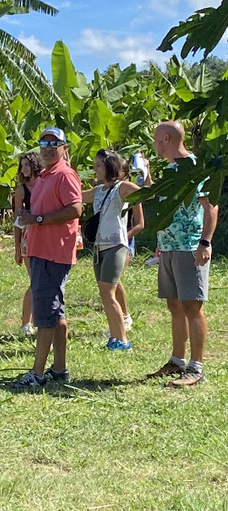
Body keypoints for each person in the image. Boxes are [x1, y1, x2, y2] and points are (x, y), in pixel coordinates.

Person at [145, 120, 218, 387]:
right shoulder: (171, 170)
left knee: (192, 305)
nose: (154, 143)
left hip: (189, 247)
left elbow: (211, 206)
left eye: (155, 138)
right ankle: (177, 361)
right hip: (169, 246)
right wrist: (161, 241)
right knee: (174, 304)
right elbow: (167, 207)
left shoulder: (195, 168)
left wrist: (205, 242)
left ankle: (196, 368)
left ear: (165, 138)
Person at [15, 127, 83, 390]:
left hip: (52, 253)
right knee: (56, 312)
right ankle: (59, 367)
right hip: (41, 250)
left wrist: (38, 219)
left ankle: (38, 372)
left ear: (64, 147)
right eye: (43, 142)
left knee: (44, 315)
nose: (47, 147)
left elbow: (76, 208)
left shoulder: (64, 174)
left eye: (54, 143)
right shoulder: (45, 174)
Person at [80, 150, 145, 351]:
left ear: (109, 166)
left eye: (98, 165)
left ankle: (122, 339)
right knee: (105, 293)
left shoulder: (122, 188)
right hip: (99, 247)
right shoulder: (98, 191)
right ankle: (114, 336)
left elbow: (145, 193)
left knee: (108, 292)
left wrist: (145, 174)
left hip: (116, 246)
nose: (95, 169)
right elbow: (76, 196)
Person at [13, 151, 43, 337]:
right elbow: (17, 220)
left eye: (27, 165)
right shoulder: (21, 190)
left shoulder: (44, 183)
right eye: (22, 165)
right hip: (29, 236)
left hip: (46, 234)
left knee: (43, 279)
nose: (24, 169)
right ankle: (26, 322)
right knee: (35, 280)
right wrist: (16, 247)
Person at [115, 156, 145, 333]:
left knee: (115, 278)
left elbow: (140, 224)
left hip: (125, 242)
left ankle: (125, 316)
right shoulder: (105, 190)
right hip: (108, 242)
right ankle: (119, 316)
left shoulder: (132, 192)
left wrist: (125, 237)